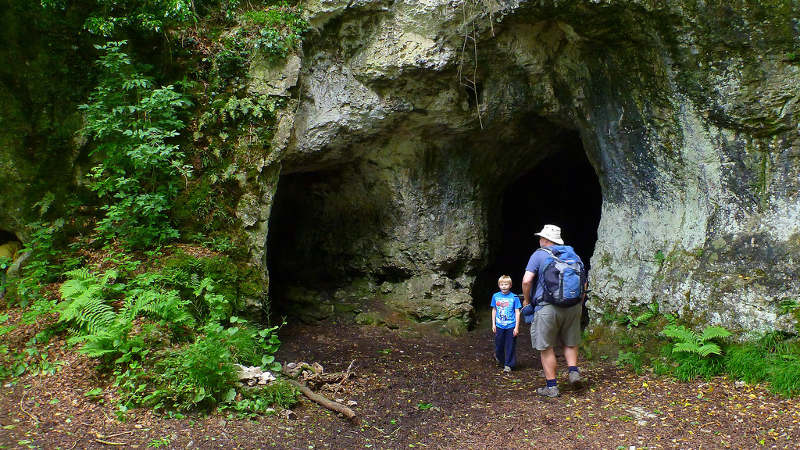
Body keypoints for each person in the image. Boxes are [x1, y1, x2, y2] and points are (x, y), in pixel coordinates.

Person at [522, 224, 585, 397]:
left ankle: (552, 387)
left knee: (546, 347)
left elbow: (527, 281)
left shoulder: (539, 255)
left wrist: (527, 300)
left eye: (541, 237)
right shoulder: (573, 254)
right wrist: (579, 302)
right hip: (573, 306)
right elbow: (583, 281)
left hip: (547, 307)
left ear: (545, 240)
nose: (540, 240)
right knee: (570, 342)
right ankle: (573, 372)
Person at [491, 275, 521, 373]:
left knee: (510, 345)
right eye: (502, 284)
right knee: (499, 345)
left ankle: (508, 364)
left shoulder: (514, 297)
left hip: (510, 325)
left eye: (506, 284)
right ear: (499, 285)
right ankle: (501, 359)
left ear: (510, 285)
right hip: (499, 325)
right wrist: (493, 324)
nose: (504, 286)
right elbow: (494, 310)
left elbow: (517, 312)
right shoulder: (495, 296)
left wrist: (516, 327)